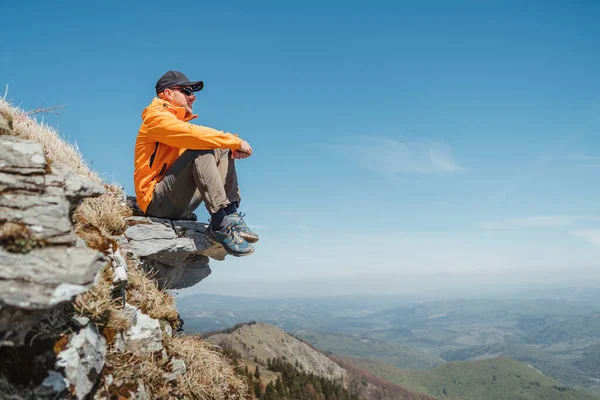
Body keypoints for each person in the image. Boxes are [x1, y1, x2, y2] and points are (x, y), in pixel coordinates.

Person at [133, 70, 258, 257]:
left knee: (219, 147)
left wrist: (231, 147)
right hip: (156, 203)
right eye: (187, 91)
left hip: (179, 202)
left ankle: (230, 213)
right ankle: (220, 223)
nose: (193, 97)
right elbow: (193, 135)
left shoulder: (177, 121)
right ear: (168, 93)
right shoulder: (155, 118)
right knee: (203, 147)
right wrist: (235, 142)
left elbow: (201, 139)